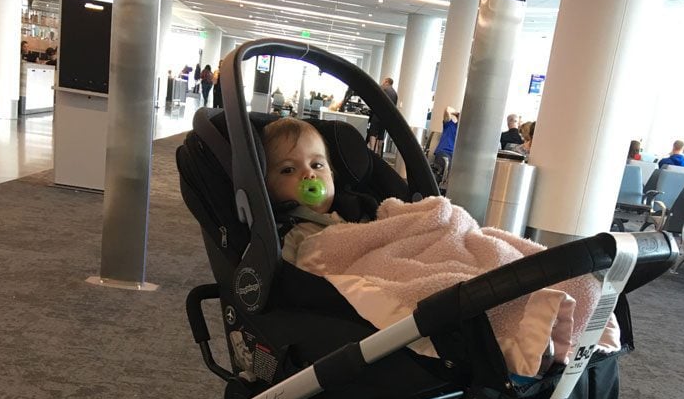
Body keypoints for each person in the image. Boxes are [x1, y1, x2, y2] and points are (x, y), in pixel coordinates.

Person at [260, 117, 619, 379]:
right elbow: (311, 270)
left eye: (317, 164)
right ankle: (525, 326)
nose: (308, 176)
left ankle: (561, 292)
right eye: (288, 170)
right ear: (268, 187)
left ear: (333, 174)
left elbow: (421, 223)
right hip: (381, 267)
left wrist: (418, 219)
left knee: (482, 246)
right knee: (454, 285)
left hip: (417, 244)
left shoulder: (363, 207)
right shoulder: (300, 233)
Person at [366, 77, 399, 155]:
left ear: (387, 82)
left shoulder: (382, 88)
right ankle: (379, 151)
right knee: (381, 133)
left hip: (378, 114)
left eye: (384, 81)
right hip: (387, 117)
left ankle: (372, 149)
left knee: (373, 131)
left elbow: (374, 99)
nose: (383, 82)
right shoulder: (395, 94)